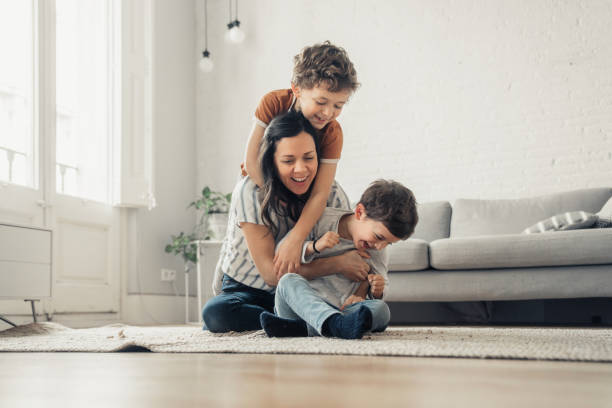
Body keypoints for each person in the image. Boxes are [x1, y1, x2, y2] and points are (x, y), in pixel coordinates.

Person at [203, 111, 371, 333]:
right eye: (288, 160)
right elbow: (271, 275)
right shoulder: (250, 192)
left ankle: (296, 323)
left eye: (309, 158)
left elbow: (354, 252)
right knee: (216, 314)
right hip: (249, 288)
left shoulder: (330, 192)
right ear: (272, 161)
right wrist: (337, 264)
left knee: (361, 309)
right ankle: (308, 324)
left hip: (300, 289)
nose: (301, 169)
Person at [242, 41, 359, 278]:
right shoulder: (273, 103)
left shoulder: (332, 133)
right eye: (321, 102)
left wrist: (295, 238)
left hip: (304, 195)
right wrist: (279, 197)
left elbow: (320, 193)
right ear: (296, 90)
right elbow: (251, 161)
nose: (328, 113)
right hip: (265, 184)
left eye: (338, 105)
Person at [260, 180, 419, 339]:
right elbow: (284, 253)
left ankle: (305, 329)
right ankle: (333, 325)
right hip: (302, 308)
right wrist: (314, 246)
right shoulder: (321, 220)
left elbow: (380, 283)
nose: (379, 246)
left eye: (388, 243)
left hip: (343, 310)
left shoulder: (378, 249)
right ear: (359, 212)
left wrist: (376, 290)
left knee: (382, 310)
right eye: (378, 237)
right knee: (288, 281)